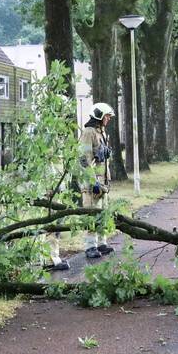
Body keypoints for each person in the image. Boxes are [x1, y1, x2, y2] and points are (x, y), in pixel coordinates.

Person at [78, 102, 116, 259]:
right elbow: (83, 158)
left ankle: (101, 243)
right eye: (106, 116)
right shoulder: (89, 132)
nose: (108, 119)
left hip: (102, 181)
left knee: (102, 214)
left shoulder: (102, 133)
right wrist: (92, 181)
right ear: (99, 116)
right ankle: (90, 246)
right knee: (92, 215)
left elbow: (100, 158)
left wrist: (106, 154)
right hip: (91, 183)